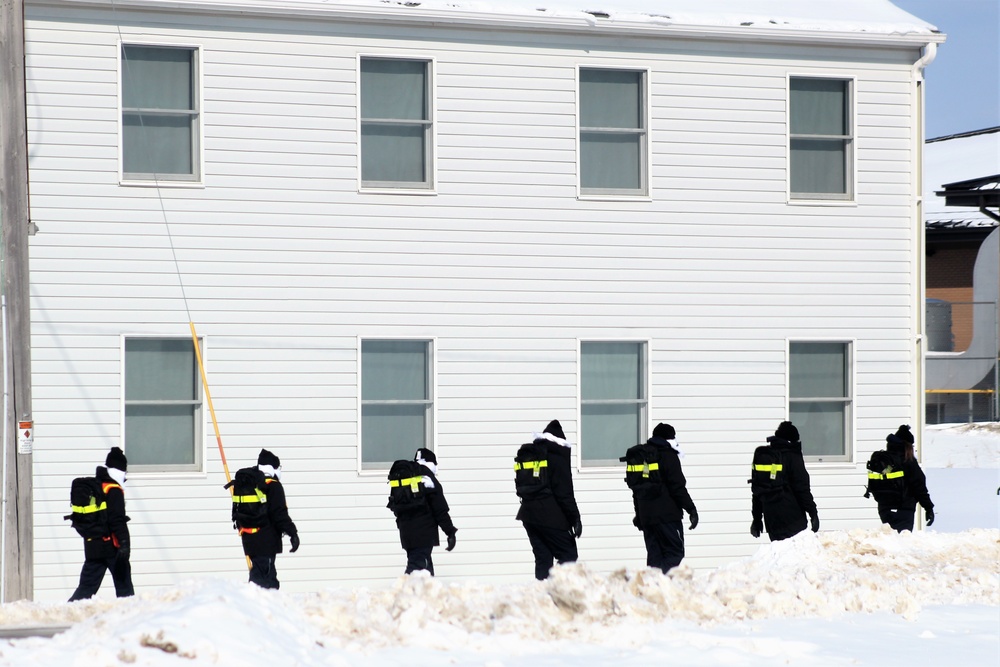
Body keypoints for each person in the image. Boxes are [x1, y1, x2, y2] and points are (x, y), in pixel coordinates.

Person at [514, 419, 581, 580]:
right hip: (550, 517)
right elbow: (565, 493)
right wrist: (575, 518)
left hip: (528, 516)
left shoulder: (535, 456)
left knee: (543, 559)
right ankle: (555, 589)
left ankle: (542, 596)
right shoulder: (557, 457)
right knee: (569, 555)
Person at [628, 423, 698, 573]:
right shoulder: (668, 455)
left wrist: (639, 514)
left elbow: (638, 489)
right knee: (675, 552)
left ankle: (652, 589)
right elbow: (677, 486)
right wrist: (691, 509)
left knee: (655, 557)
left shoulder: (646, 459)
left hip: (648, 518)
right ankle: (662, 584)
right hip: (668, 517)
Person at [69, 446, 134, 601]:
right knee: (124, 587)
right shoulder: (113, 489)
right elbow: (117, 520)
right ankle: (131, 617)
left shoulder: (98, 486)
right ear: (121, 470)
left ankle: (66, 612)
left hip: (93, 545)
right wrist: (124, 544)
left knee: (86, 587)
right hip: (112, 547)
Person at [390, 448, 458, 575]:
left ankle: (425, 593)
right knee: (417, 571)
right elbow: (440, 509)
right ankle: (405, 592)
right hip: (423, 534)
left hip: (406, 534)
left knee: (424, 568)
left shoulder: (407, 477)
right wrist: (450, 532)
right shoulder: (428, 479)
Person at [239, 448, 299, 589]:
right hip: (265, 541)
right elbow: (279, 513)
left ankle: (267, 606)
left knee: (267, 576)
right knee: (263, 581)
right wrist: (292, 533)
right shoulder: (273, 486)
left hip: (249, 538)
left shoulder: (250, 483)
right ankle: (258, 607)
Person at [749, 421, 819, 542]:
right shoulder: (792, 456)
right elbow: (802, 489)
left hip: (771, 521)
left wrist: (757, 519)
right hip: (793, 519)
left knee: (780, 557)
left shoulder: (765, 457)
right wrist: (813, 512)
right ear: (792, 440)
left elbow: (758, 491)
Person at [873, 424, 935, 532]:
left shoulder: (886, 461)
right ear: (907, 446)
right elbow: (919, 487)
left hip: (884, 509)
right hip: (903, 509)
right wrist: (928, 508)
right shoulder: (907, 462)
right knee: (901, 541)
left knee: (891, 539)